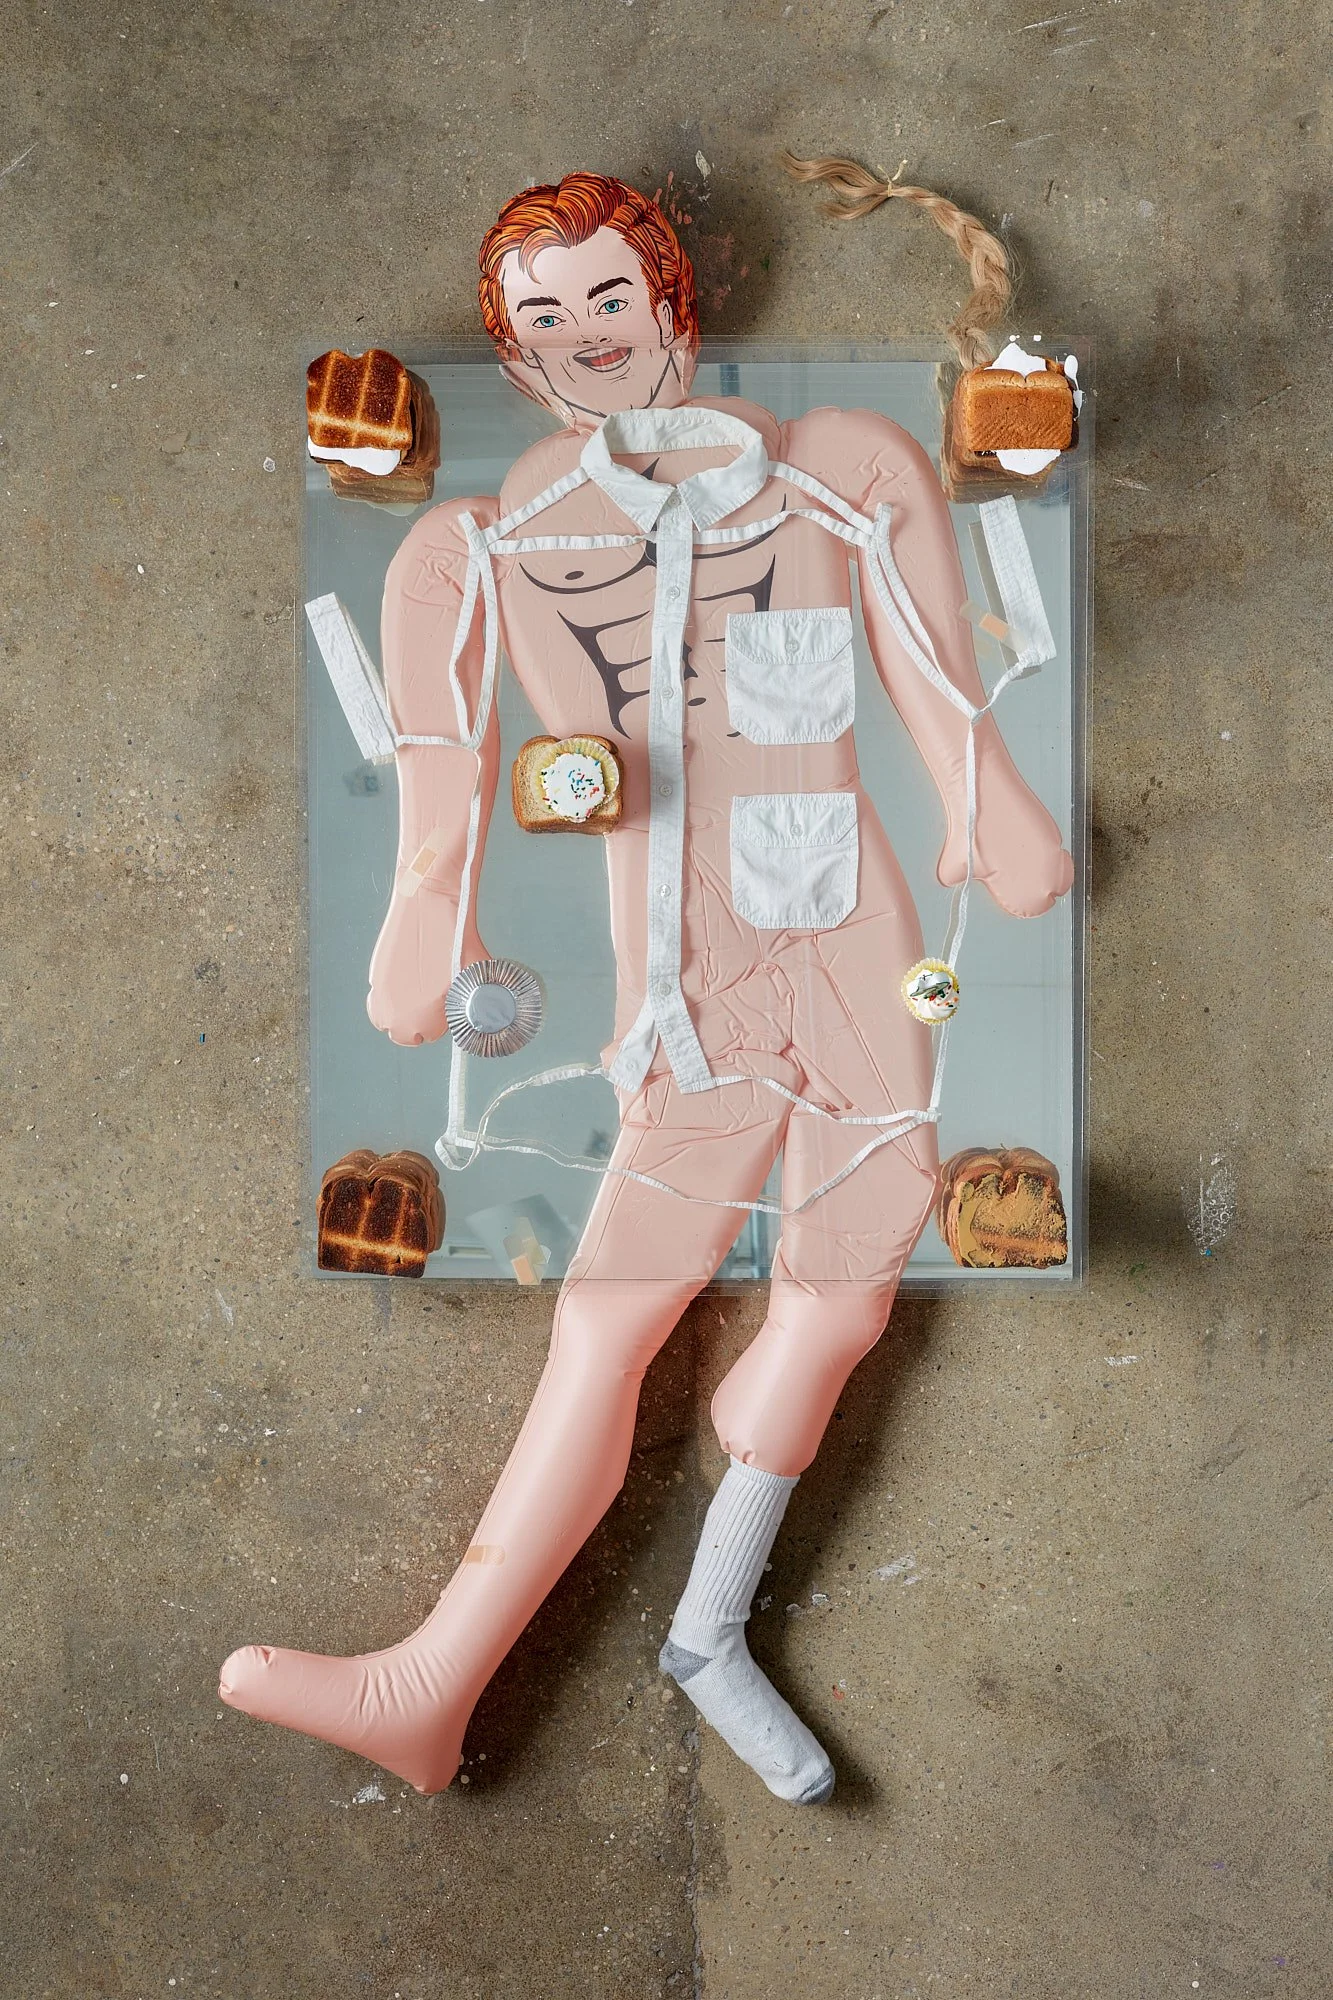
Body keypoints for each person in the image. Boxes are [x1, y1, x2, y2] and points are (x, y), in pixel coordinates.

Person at [221, 173, 1072, 1803]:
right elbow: (441, 774)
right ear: (516, 361)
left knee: (841, 1301)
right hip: (684, 968)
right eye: (546, 319)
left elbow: (935, 674)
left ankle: (706, 1626)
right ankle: (434, 1674)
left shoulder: (840, 470)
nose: (587, 335)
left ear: (673, 309)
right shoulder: (479, 547)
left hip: (852, 935)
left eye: (611, 296)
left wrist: (993, 805)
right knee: (615, 1313)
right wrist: (427, 915)